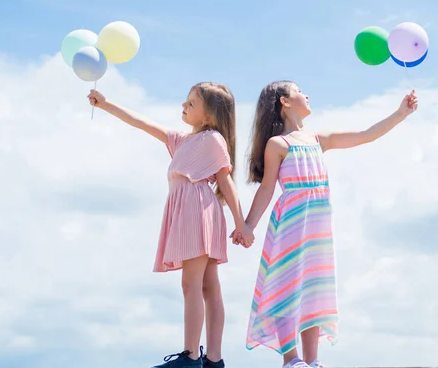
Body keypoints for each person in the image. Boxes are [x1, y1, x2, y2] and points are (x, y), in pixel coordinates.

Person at [231, 81, 417, 368]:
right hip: (291, 222)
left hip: (317, 225)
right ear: (285, 102)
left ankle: (312, 360)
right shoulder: (278, 144)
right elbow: (267, 188)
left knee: (312, 287)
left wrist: (399, 114)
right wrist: (248, 225)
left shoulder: (319, 139)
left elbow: (365, 135)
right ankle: (291, 359)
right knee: (285, 286)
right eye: (299, 91)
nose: (306, 94)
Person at [88, 82, 249, 368]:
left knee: (192, 283)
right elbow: (142, 123)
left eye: (191, 104)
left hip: (197, 210)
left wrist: (241, 224)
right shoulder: (182, 140)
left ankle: (190, 356)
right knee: (208, 286)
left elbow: (226, 183)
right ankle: (213, 359)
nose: (183, 107)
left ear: (209, 115)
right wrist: (106, 104)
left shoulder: (212, 139)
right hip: (189, 210)